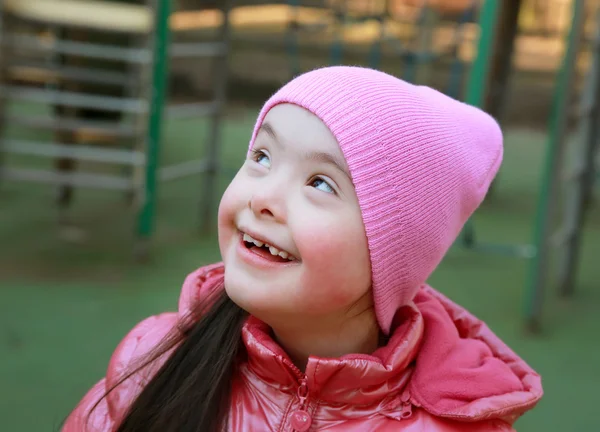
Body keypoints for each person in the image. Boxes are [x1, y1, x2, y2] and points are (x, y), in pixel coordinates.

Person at [62, 66, 543, 432]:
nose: (264, 198)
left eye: (320, 183)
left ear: (392, 252)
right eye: (262, 158)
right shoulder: (154, 359)